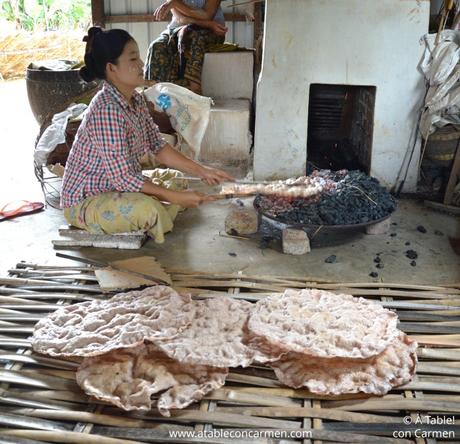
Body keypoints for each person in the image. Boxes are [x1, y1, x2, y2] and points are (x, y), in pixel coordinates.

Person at [61, 27, 233, 243]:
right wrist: (175, 198)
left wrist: (202, 170)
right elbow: (123, 178)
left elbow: (157, 145)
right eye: (133, 59)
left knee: (176, 181)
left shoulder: (136, 100)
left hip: (115, 187)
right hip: (86, 200)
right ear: (112, 68)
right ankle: (162, 210)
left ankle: (166, 206)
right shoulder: (106, 109)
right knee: (150, 211)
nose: (142, 64)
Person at [144, 0, 227, 94]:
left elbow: (207, 15)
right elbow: (180, 19)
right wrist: (207, 23)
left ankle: (194, 91)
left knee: (192, 37)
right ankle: (155, 96)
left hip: (212, 30)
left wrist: (175, 3)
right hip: (179, 28)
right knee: (157, 46)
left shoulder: (173, 2)